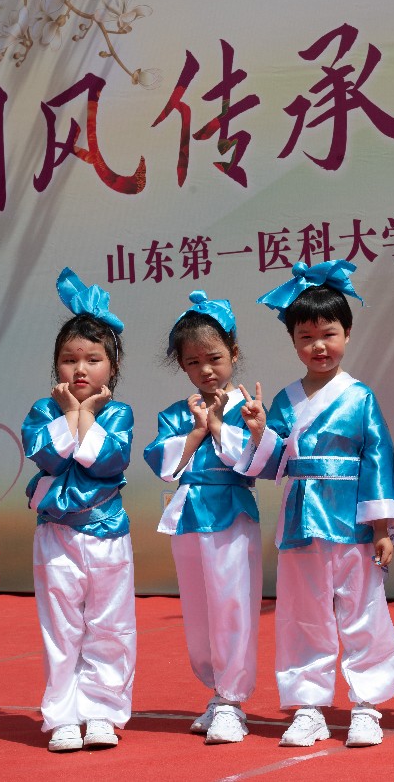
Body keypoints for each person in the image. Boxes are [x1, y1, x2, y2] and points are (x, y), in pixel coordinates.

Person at [235, 260, 394, 749]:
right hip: (301, 519)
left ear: (346, 334)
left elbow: (378, 460)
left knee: (363, 612)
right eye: (306, 337)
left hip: (351, 521)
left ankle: (367, 705)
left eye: (328, 334)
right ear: (293, 342)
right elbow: (273, 464)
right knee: (301, 614)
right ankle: (308, 706)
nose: (319, 346)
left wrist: (382, 528)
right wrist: (260, 431)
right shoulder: (285, 399)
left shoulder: (360, 397)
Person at [22, 268, 136, 752]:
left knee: (111, 625)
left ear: (113, 366)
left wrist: (86, 416)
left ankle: (103, 712)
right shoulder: (42, 412)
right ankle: (63, 717)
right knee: (61, 627)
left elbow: (108, 460)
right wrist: (71, 415)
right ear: (56, 366)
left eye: (93, 359)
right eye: (69, 360)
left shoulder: (120, 413)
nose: (80, 370)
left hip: (108, 533)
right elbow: (46, 456)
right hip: (57, 534)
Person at [142, 292, 261, 744]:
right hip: (189, 515)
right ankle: (217, 692)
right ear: (182, 366)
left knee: (232, 606)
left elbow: (252, 462)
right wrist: (195, 430)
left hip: (232, 513)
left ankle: (232, 700)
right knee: (198, 611)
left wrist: (219, 426)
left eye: (214, 358)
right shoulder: (176, 414)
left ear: (233, 354)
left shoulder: (246, 408)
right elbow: (164, 464)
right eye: (193, 362)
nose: (206, 370)